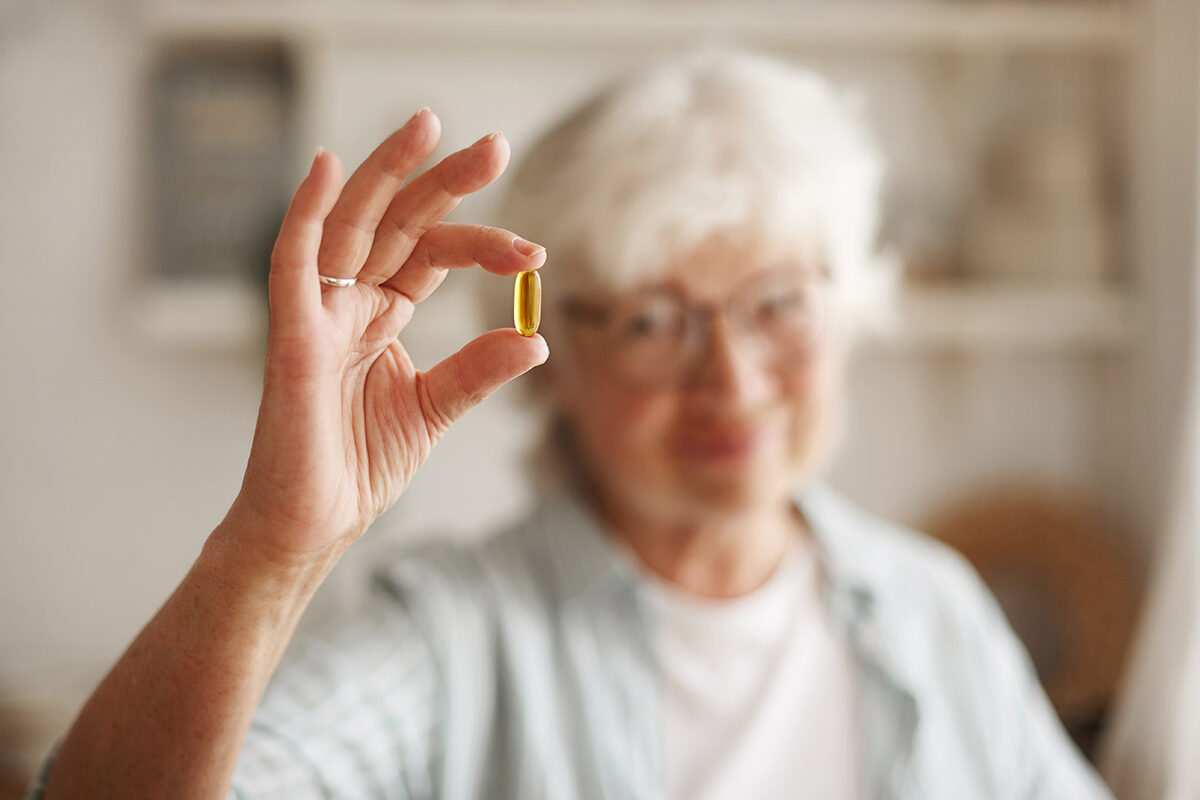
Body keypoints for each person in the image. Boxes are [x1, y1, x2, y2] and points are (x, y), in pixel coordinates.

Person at [30, 50, 1112, 799]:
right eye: (652, 320)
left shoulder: (931, 608)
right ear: (554, 363)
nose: (729, 377)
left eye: (777, 303)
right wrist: (274, 547)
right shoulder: (449, 633)